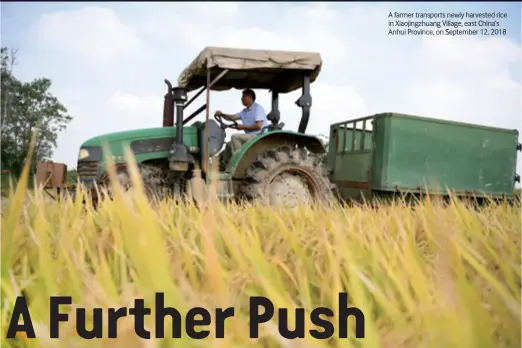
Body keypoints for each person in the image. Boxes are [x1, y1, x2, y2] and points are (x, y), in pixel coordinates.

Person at [215, 89, 269, 155]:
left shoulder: (258, 108)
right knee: (229, 145)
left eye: (243, 97)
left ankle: (240, 161)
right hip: (249, 136)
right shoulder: (244, 111)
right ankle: (225, 163)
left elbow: (258, 126)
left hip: (258, 136)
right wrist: (222, 114)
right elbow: (231, 117)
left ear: (249, 97)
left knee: (234, 137)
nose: (241, 99)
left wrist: (243, 127)